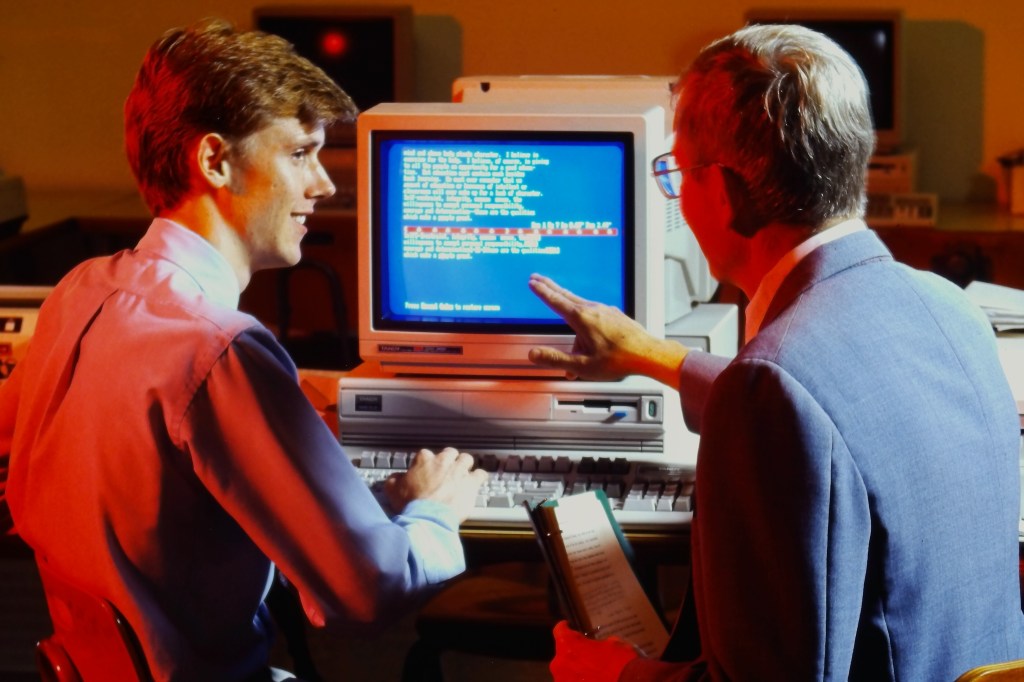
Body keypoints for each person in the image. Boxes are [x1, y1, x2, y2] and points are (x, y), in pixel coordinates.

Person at [529, 23, 1024, 681]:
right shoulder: (950, 307)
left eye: (678, 172)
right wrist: (652, 355)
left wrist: (614, 675)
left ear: (725, 192)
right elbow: (831, 414)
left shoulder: (774, 385)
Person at [0, 18, 487, 682]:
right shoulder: (219, 351)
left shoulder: (79, 292)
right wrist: (435, 507)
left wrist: (360, 502)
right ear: (214, 161)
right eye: (300, 153)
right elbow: (368, 592)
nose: (324, 184)